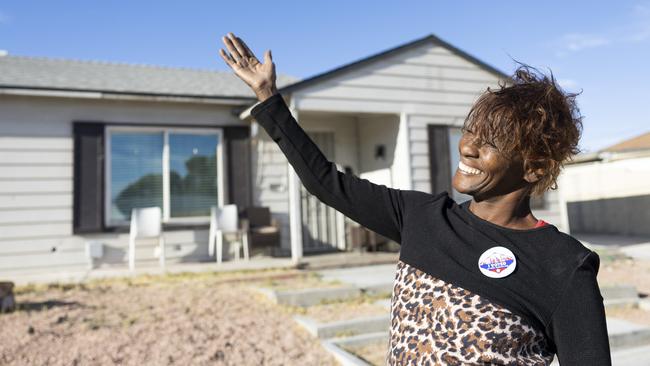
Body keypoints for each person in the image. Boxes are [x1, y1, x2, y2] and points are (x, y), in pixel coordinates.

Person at [219, 32, 611, 365]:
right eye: (470, 131)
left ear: (534, 168)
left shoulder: (563, 266)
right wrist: (269, 97)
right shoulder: (422, 217)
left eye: (491, 142)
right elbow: (324, 181)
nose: (469, 147)